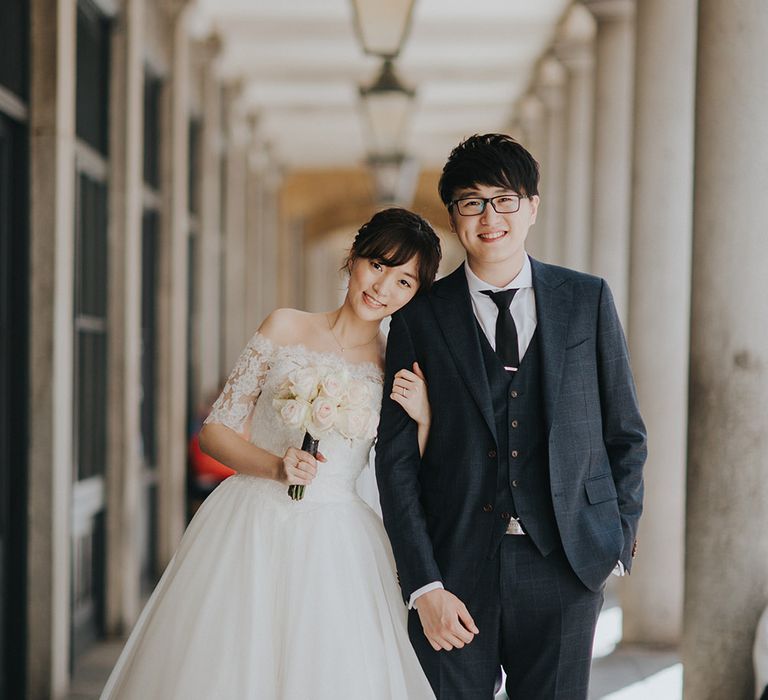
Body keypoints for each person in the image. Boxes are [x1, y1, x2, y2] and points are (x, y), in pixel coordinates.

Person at [100, 208, 441, 699]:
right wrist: (275, 467)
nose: (383, 287)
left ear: (414, 295)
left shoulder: (396, 369)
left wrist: (425, 415)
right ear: (354, 258)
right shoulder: (285, 326)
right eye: (378, 265)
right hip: (250, 522)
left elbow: (409, 473)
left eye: (404, 282)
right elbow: (214, 432)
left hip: (339, 540)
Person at [376, 133, 647, 699]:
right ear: (453, 215)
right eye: (472, 202)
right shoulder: (419, 317)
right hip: (455, 568)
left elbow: (624, 431)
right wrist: (423, 584)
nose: (489, 216)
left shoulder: (587, 299)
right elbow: (396, 462)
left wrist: (618, 534)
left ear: (531, 207)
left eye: (504, 199)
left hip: (566, 565)